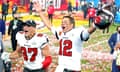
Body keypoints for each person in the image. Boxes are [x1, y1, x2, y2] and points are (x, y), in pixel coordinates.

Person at [33, 1, 96, 72]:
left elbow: (88, 31)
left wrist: (95, 24)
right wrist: (40, 12)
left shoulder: (77, 32)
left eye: (65, 23)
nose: (63, 24)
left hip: (73, 68)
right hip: (61, 67)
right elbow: (49, 25)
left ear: (72, 25)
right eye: (62, 22)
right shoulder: (61, 33)